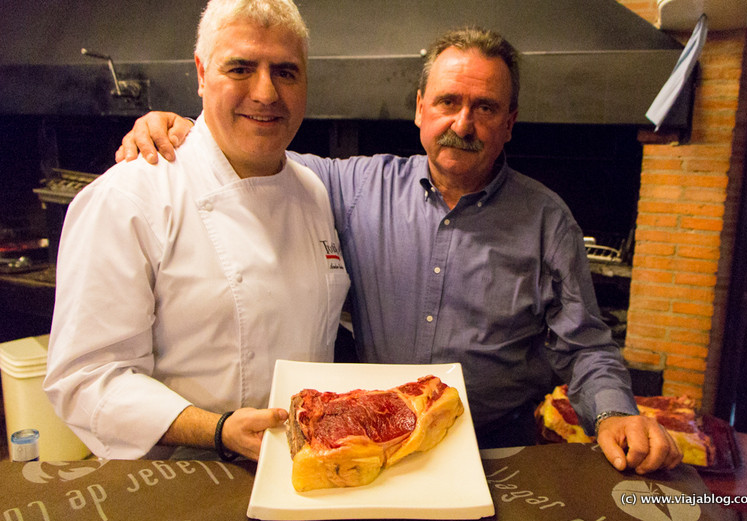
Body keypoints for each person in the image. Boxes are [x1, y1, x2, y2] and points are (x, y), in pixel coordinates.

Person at [116, 27, 682, 473]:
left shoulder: (547, 220)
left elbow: (586, 348)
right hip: (369, 437)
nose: (462, 122)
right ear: (419, 109)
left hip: (493, 446)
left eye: (484, 108)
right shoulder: (353, 186)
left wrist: (614, 414)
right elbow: (256, 156)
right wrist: (187, 128)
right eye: (448, 102)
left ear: (509, 124)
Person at [43, 0, 350, 461]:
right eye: (241, 68)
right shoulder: (130, 196)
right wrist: (218, 430)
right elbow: (86, 381)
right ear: (202, 74)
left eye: (286, 72)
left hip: (302, 469)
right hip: (182, 479)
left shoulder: (313, 190)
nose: (266, 93)